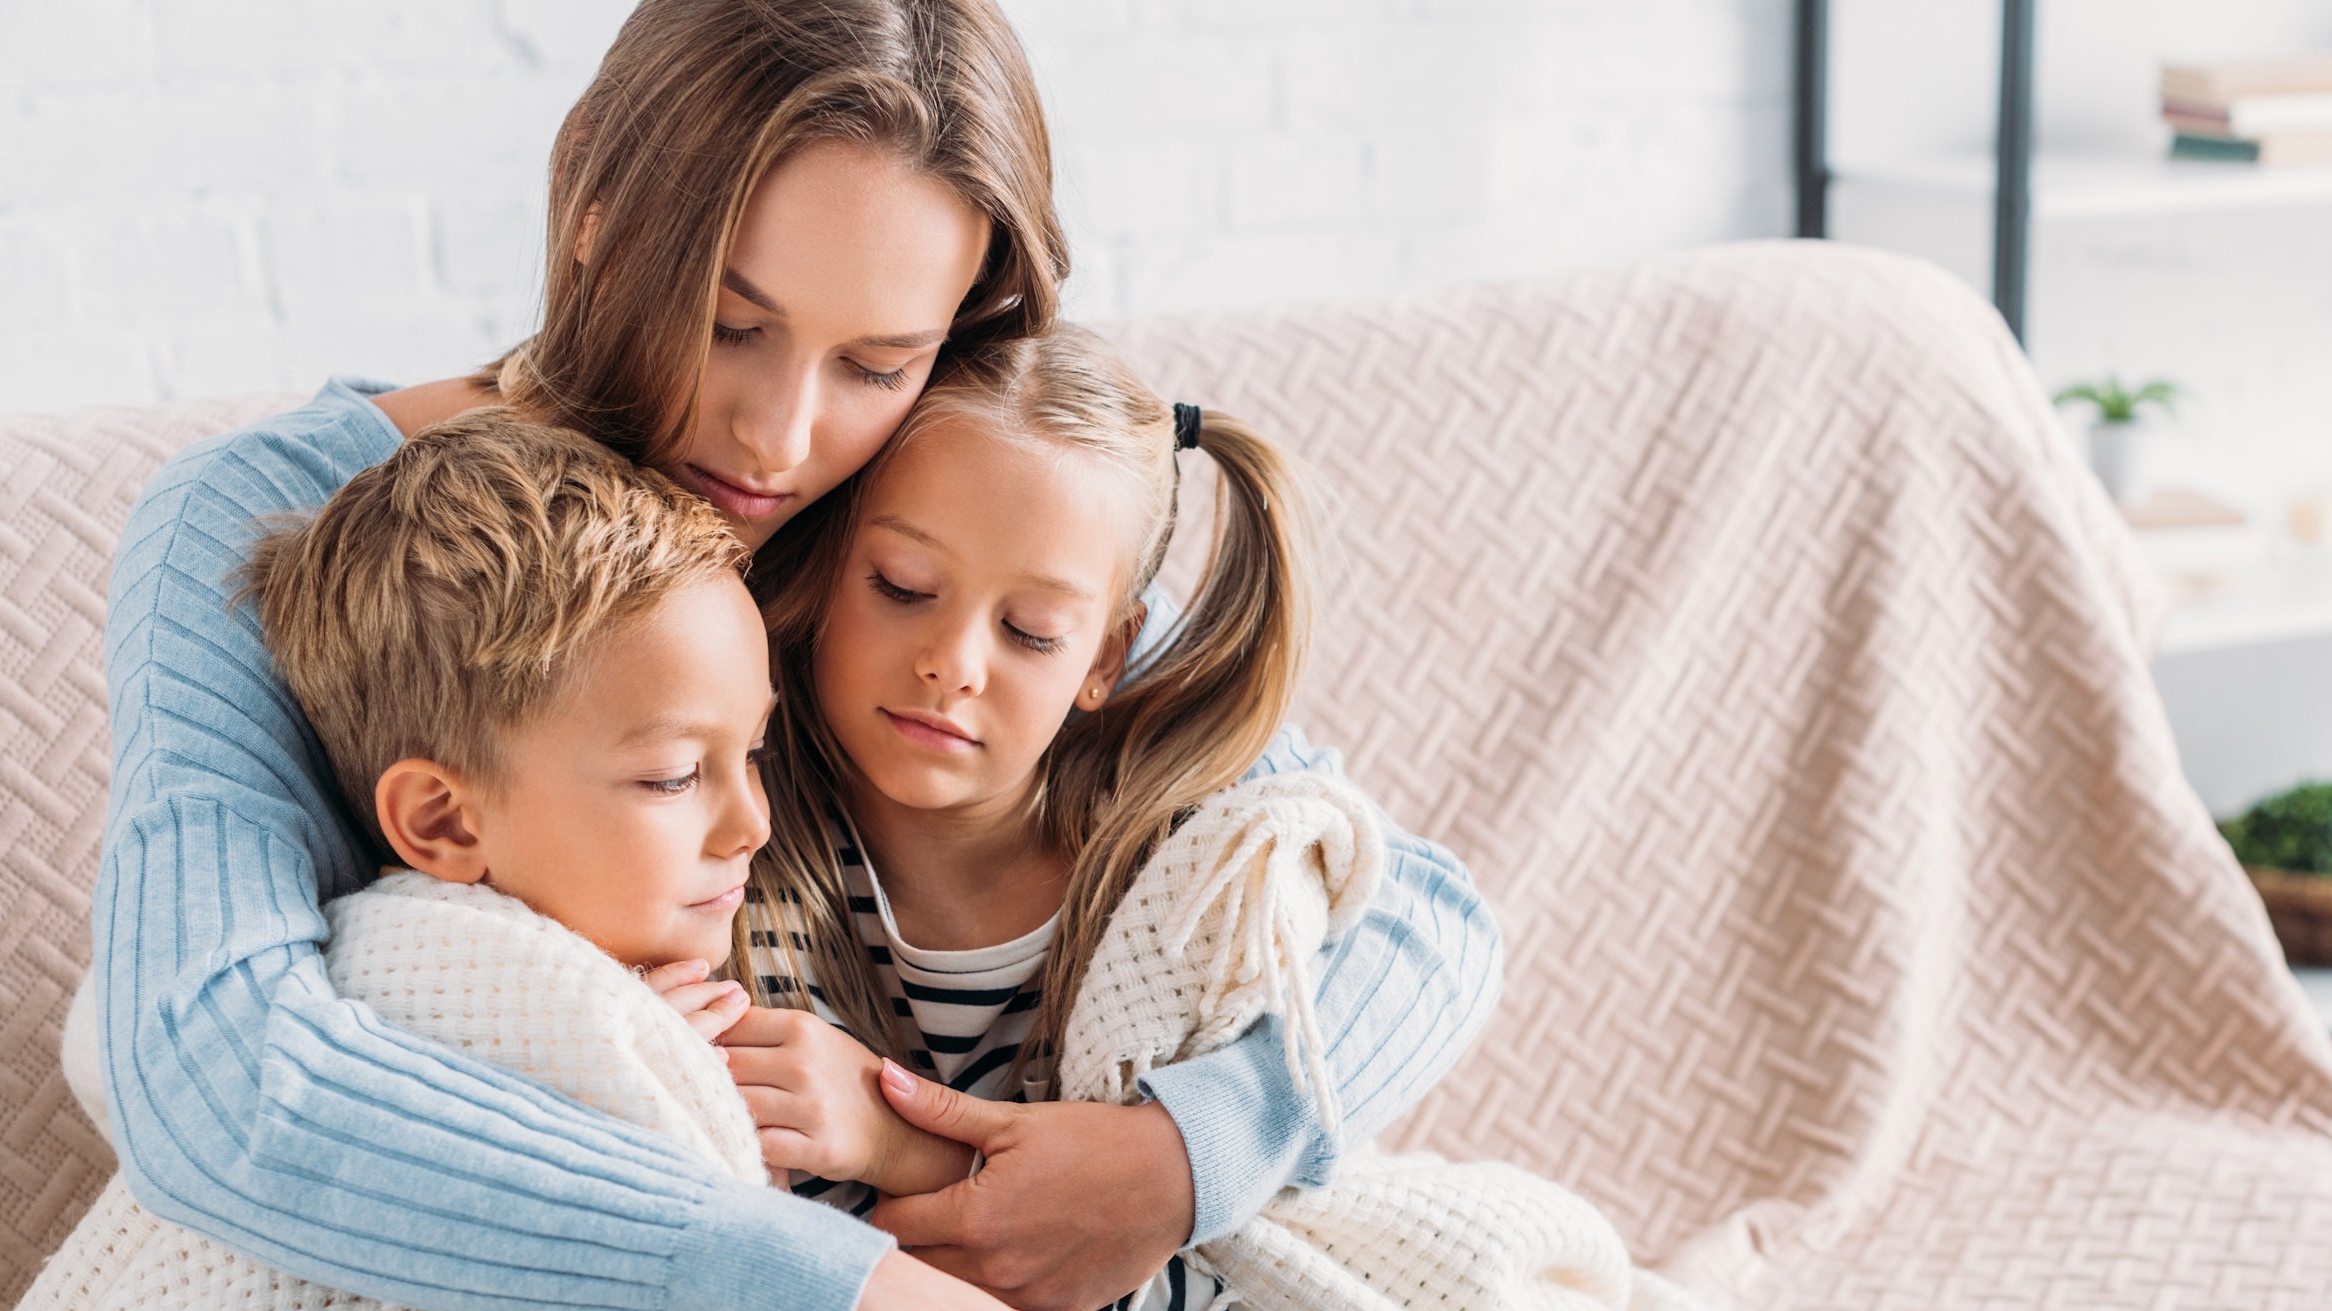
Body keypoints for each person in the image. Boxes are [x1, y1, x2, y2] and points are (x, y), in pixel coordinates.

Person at [88, 2, 1500, 1308]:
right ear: (592, 204)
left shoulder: (914, 511)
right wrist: (835, 1288)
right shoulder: (274, 515)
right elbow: (216, 1074)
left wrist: (1183, 1155)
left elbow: (1415, 913)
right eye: (730, 322)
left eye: (878, 362)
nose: (776, 440)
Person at [723, 323, 1660, 1310]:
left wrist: (1180, 1153)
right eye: (903, 586)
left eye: (1031, 633)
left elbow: (1433, 925)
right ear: (829, 564)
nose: (952, 663)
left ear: (1107, 657)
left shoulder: (1186, 873)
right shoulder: (741, 836)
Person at [35, 413, 785, 1306]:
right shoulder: (434, 1007)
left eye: (755, 751)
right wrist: (617, 1067)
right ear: (442, 821)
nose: (753, 823)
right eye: (672, 777)